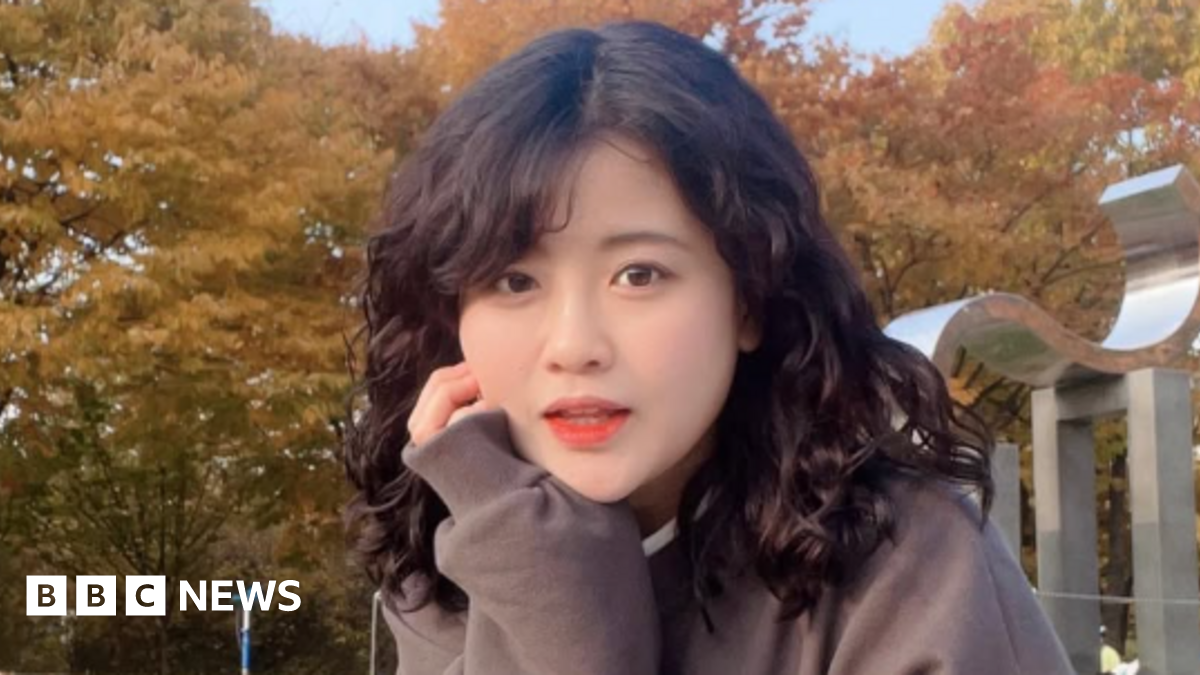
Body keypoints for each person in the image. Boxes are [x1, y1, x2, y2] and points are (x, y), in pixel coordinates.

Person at [342, 19, 1076, 675]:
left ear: (750, 300)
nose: (574, 346)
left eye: (639, 274)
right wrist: (543, 583)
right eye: (513, 280)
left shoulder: (907, 563)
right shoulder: (446, 568)